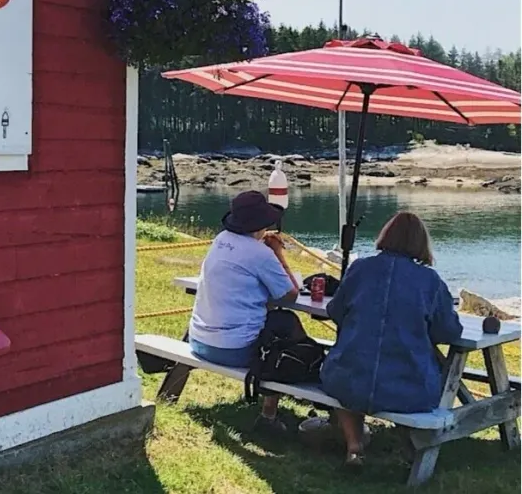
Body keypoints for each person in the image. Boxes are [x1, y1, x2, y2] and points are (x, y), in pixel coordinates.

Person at [320, 211, 463, 467]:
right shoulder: (429, 281)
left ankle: (354, 446)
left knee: (346, 374)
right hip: (407, 387)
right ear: (421, 243)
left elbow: (335, 311)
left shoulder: (361, 268)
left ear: (385, 236)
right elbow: (449, 331)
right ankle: (407, 447)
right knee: (425, 374)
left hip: (348, 378)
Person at [189, 190, 302, 431]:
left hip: (199, 340)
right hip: (233, 349)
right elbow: (291, 294)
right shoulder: (260, 253)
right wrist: (278, 253)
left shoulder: (220, 240)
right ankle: (271, 411)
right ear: (261, 224)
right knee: (286, 323)